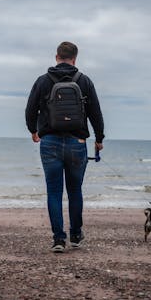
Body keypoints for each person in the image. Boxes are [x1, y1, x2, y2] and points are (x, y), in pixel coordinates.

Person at [25, 41, 105, 253]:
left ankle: (59, 240)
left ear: (56, 57)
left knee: (53, 192)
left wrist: (33, 131)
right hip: (77, 143)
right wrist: (99, 138)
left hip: (49, 142)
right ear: (74, 59)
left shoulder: (43, 81)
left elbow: (30, 109)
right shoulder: (84, 81)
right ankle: (76, 235)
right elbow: (95, 112)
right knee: (74, 191)